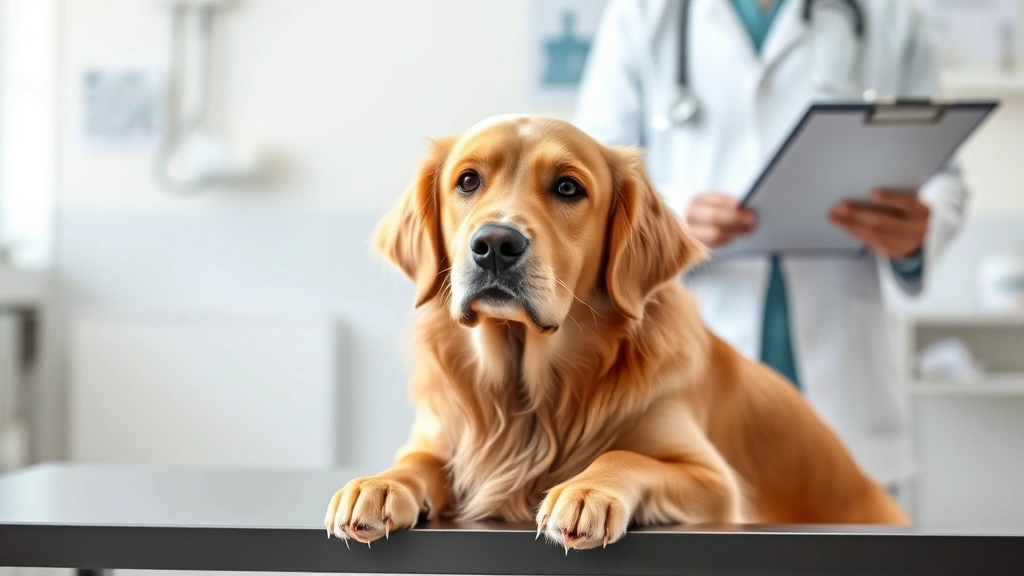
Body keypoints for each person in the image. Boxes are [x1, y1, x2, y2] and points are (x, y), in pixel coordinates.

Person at [574, 0, 967, 491]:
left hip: (845, 377)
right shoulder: (643, 17)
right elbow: (585, 184)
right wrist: (669, 218)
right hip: (687, 360)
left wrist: (916, 231)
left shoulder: (888, 18)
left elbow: (940, 173)